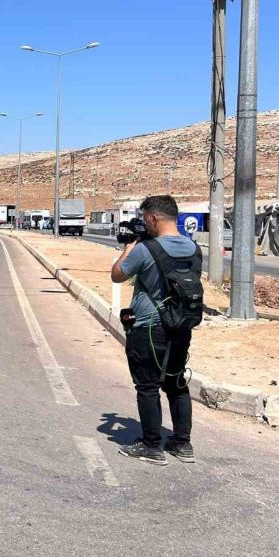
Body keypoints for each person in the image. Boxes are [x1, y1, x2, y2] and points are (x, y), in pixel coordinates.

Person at [110, 195, 198, 465]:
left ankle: (151, 447)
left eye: (145, 219)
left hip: (148, 327)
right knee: (176, 383)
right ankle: (182, 444)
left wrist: (129, 246)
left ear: (153, 218)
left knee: (147, 386)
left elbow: (117, 274)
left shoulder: (145, 250)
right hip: (181, 326)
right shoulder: (194, 248)